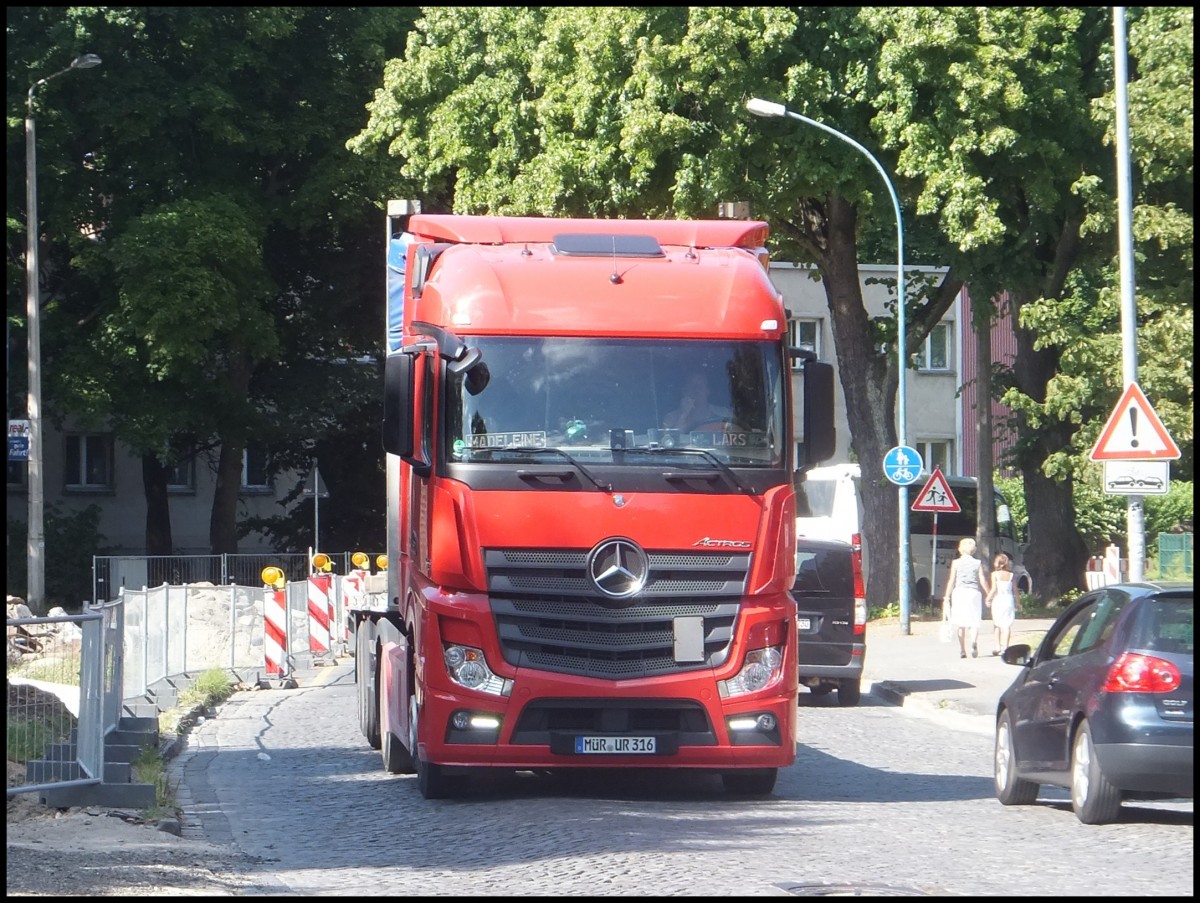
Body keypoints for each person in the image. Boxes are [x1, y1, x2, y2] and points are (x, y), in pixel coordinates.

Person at [943, 537, 990, 659]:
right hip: (974, 592)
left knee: (960, 622)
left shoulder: (956, 563)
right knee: (974, 621)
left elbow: (952, 580)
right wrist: (989, 594)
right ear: (973, 550)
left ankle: (962, 650)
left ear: (960, 549)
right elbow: (982, 579)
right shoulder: (977, 563)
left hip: (959, 592)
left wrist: (946, 596)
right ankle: (973, 642)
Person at [663, 372, 731, 432]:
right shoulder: (671, 419)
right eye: (691, 386)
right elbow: (670, 440)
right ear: (684, 391)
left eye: (700, 386)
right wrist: (683, 415)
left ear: (707, 391)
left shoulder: (724, 415)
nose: (696, 390)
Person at [986, 551, 1018, 655]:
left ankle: (997, 646)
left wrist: (988, 599)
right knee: (1007, 625)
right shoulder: (1011, 575)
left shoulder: (995, 575)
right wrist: (1018, 602)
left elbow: (994, 589)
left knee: (997, 624)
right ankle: (1006, 647)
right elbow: (1015, 590)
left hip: (998, 600)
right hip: (1008, 600)